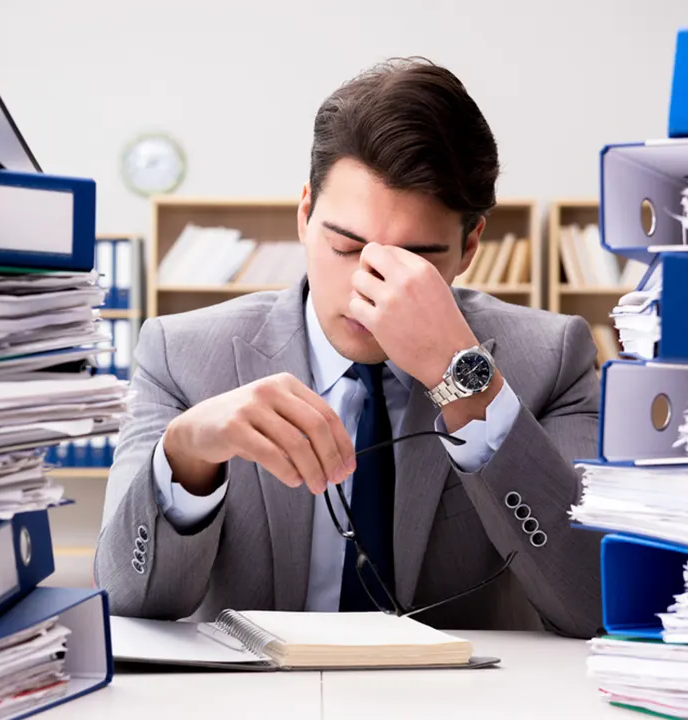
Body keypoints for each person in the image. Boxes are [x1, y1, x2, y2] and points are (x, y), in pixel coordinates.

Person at [94, 57, 602, 639]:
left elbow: (591, 605)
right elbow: (126, 602)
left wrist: (466, 383)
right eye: (345, 245)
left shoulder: (552, 360)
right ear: (306, 214)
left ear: (470, 247)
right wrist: (185, 455)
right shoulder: (180, 354)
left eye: (416, 260)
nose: (371, 287)